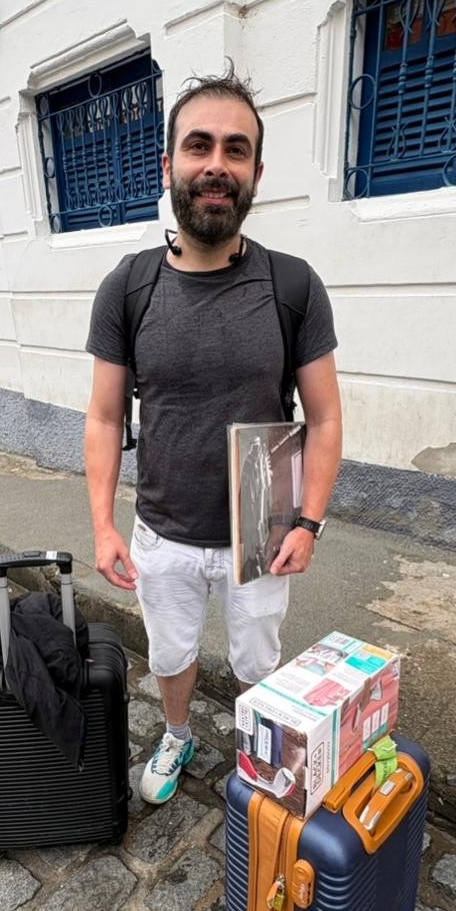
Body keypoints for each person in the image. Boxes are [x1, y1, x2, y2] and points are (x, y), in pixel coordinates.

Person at [83, 67, 343, 805]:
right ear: (169, 166)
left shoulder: (292, 285)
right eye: (199, 145)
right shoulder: (129, 287)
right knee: (170, 653)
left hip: (263, 526)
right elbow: (103, 416)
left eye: (236, 149)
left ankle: (257, 756)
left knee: (261, 662)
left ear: (256, 172)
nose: (216, 164)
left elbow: (323, 417)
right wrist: (103, 524)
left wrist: (310, 520)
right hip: (162, 527)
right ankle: (177, 733)